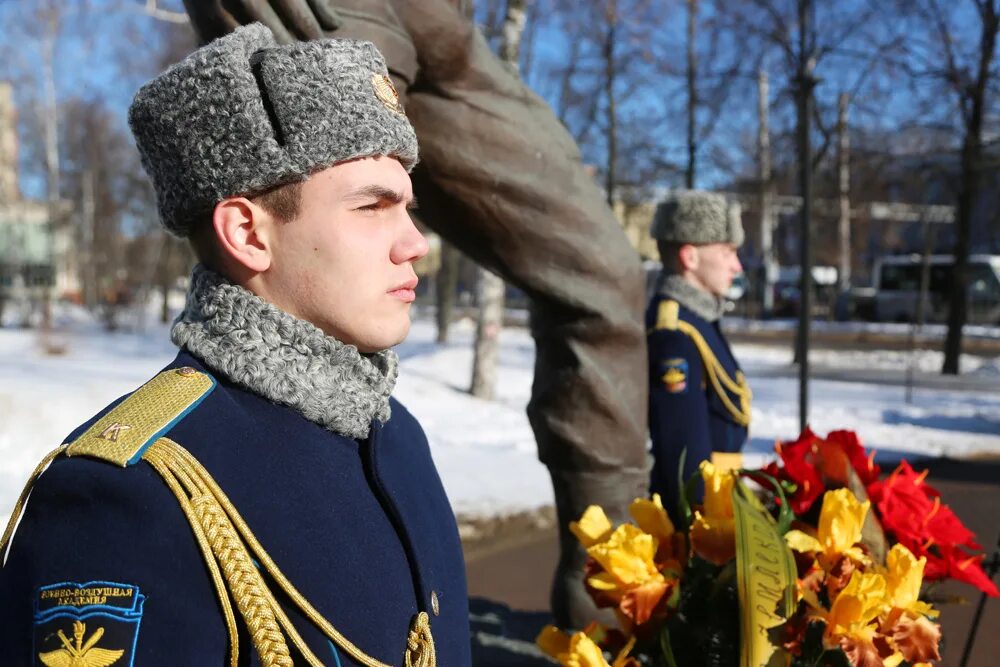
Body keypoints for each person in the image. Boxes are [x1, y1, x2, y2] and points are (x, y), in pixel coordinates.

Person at [0, 25, 469, 666]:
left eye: (408, 208)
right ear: (247, 234)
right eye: (372, 207)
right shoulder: (131, 494)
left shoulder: (396, 435)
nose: (414, 242)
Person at [181, 0, 651, 629]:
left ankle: (616, 604)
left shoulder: (413, 449)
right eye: (386, 210)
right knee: (318, 275)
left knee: (604, 278)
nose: (417, 243)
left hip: (448, 20)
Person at [646, 191, 751, 517]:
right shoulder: (675, 331)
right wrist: (702, 529)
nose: (738, 265)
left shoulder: (699, 319)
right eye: (727, 252)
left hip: (723, 497)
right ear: (690, 257)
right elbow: (684, 453)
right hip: (701, 512)